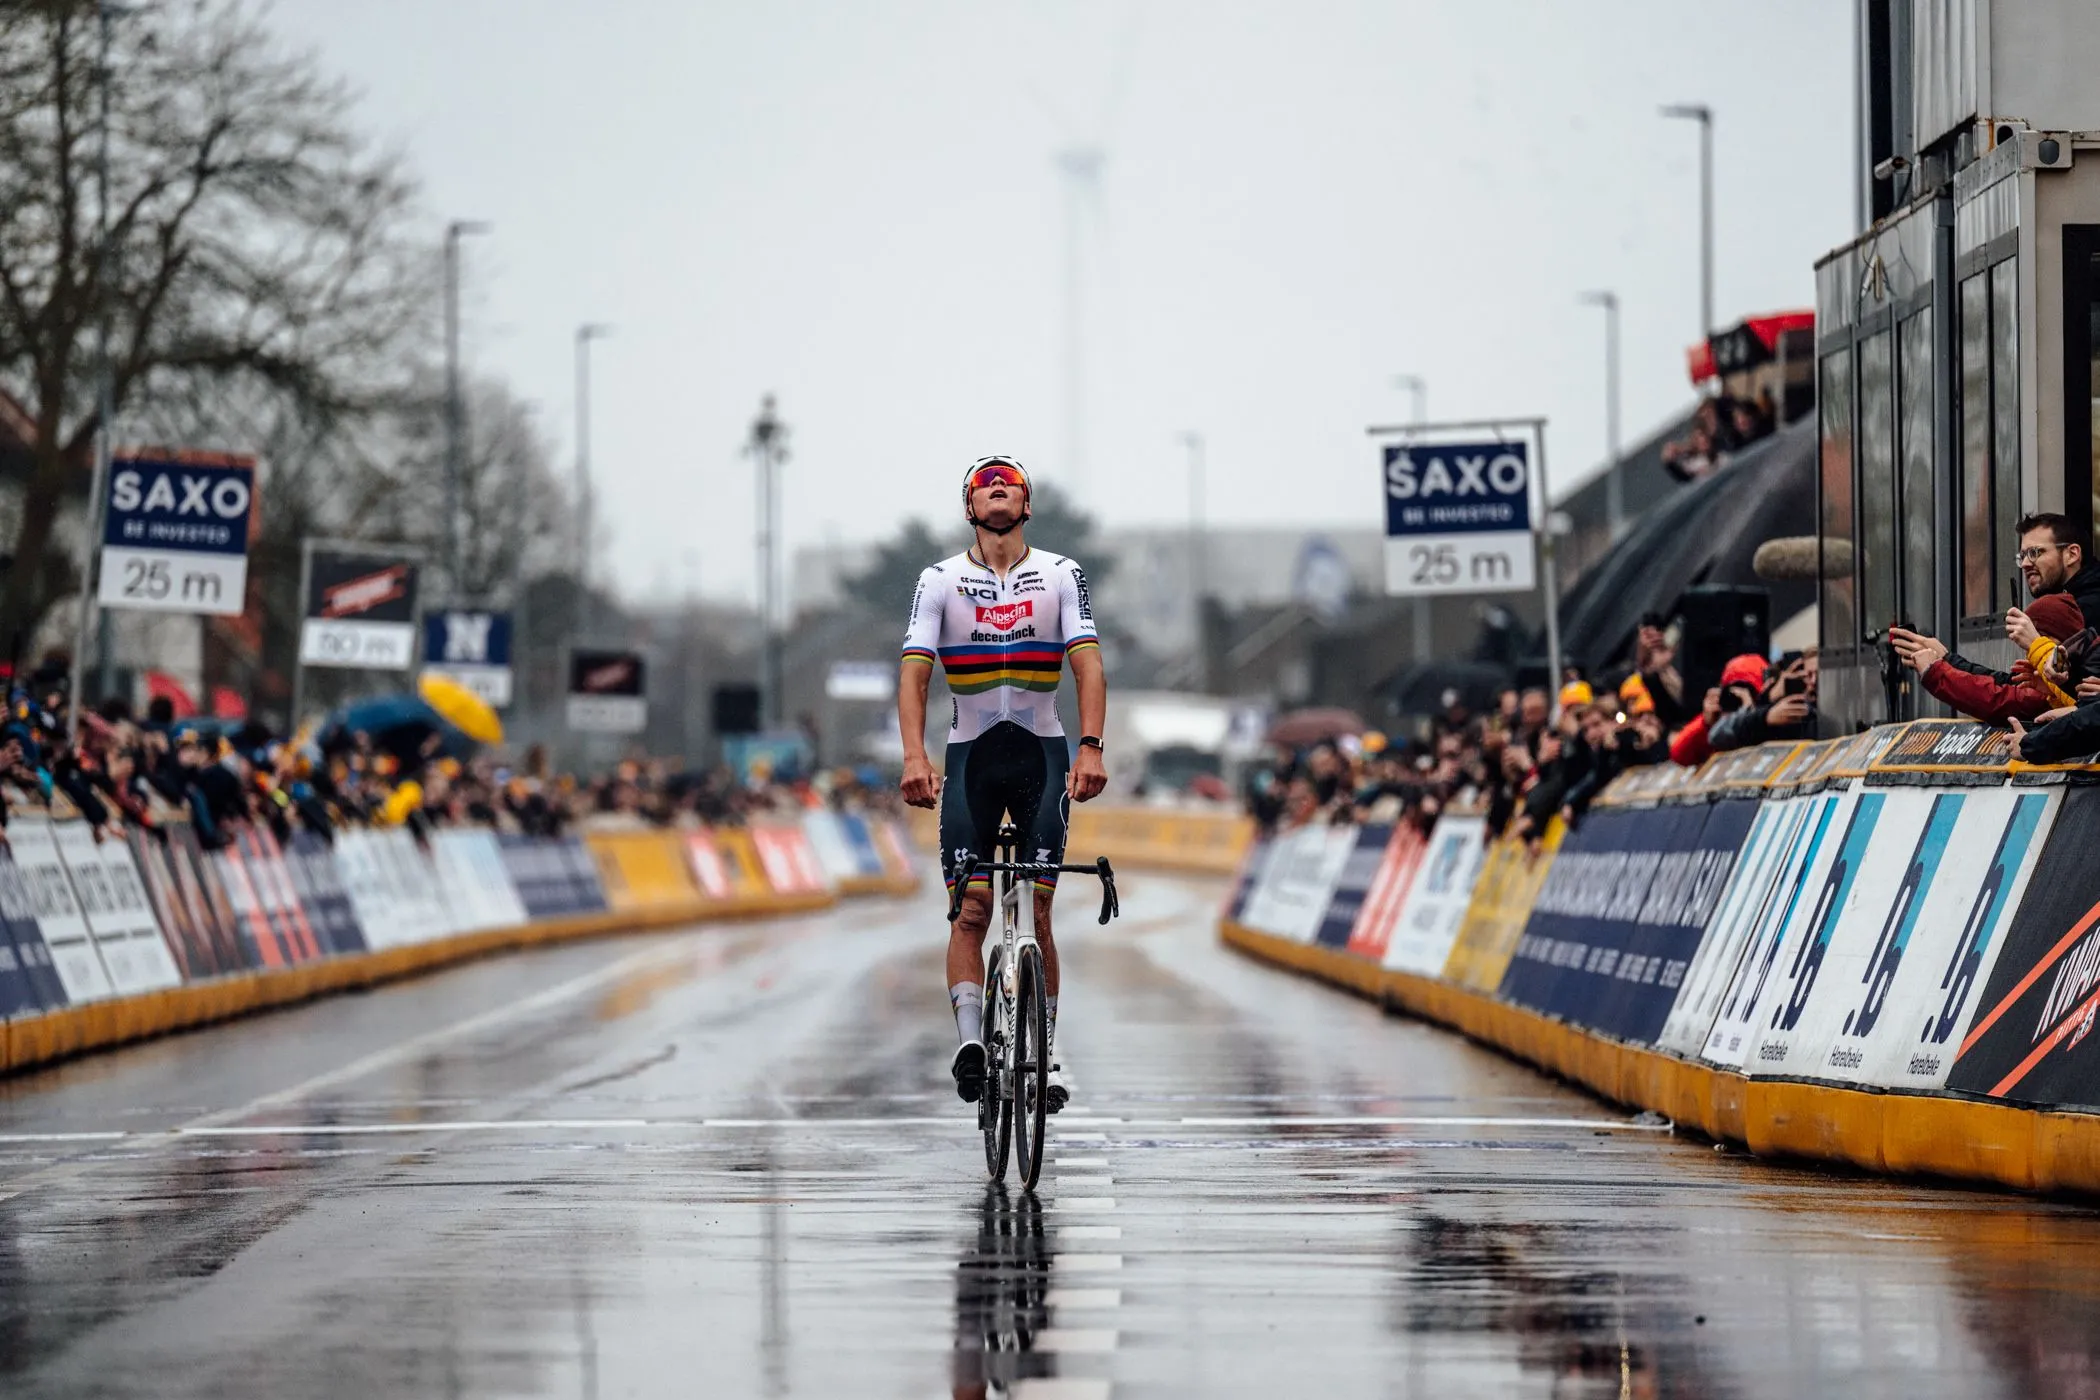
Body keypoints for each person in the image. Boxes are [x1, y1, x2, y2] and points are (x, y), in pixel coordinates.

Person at [896, 456, 1108, 1113]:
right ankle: (970, 1045)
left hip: (1042, 755)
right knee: (974, 911)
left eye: (1007, 483)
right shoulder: (940, 580)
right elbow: (914, 674)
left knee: (1040, 911)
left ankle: (1041, 1058)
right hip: (971, 760)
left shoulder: (1061, 574)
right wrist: (914, 757)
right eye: (983, 485)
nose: (996, 489)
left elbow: (1089, 666)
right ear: (968, 508)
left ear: (1026, 505)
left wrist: (1093, 747)